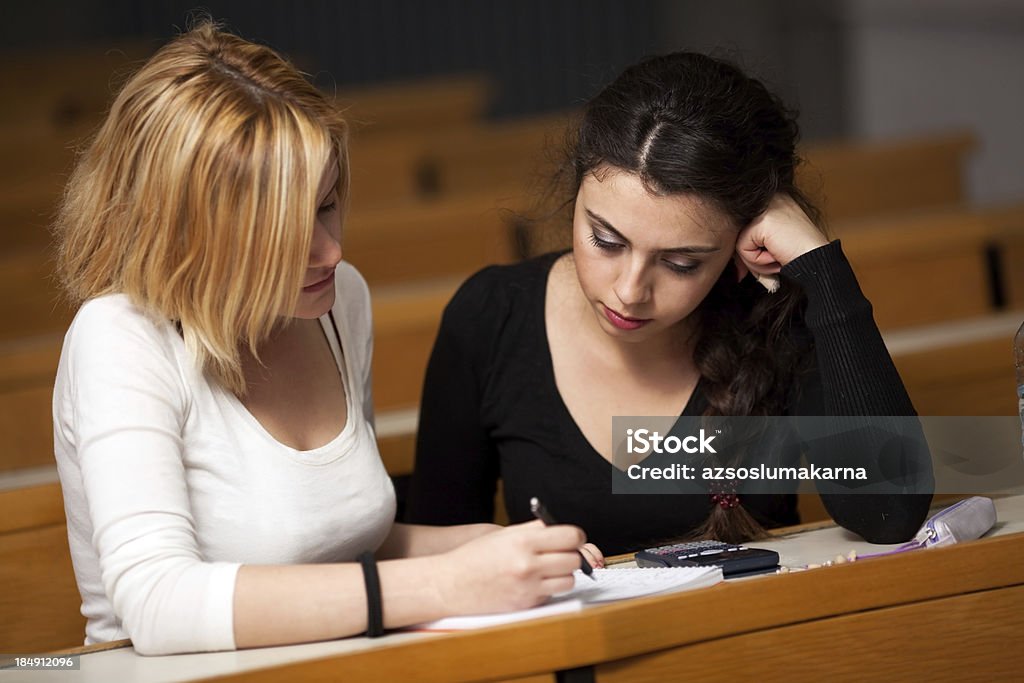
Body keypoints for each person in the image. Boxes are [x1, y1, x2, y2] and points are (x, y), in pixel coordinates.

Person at [51, 21, 600, 656]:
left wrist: (490, 546)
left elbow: (337, 549)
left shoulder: (340, 304)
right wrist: (446, 582)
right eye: (284, 227)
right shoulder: (120, 336)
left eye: (327, 205)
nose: (331, 251)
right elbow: (157, 605)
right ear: (188, 231)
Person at [406, 51, 934, 555]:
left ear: (738, 247)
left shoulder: (774, 317)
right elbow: (439, 552)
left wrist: (823, 271)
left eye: (681, 263)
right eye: (606, 241)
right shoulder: (492, 315)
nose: (630, 290)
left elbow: (888, 513)